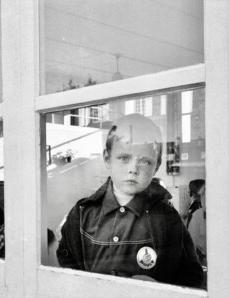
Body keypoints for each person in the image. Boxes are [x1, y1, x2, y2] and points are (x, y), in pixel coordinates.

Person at [57, 113, 203, 287]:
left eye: (145, 162)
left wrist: (161, 288)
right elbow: (67, 268)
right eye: (124, 158)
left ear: (156, 166)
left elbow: (191, 275)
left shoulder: (167, 218)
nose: (133, 169)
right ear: (107, 158)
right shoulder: (83, 213)